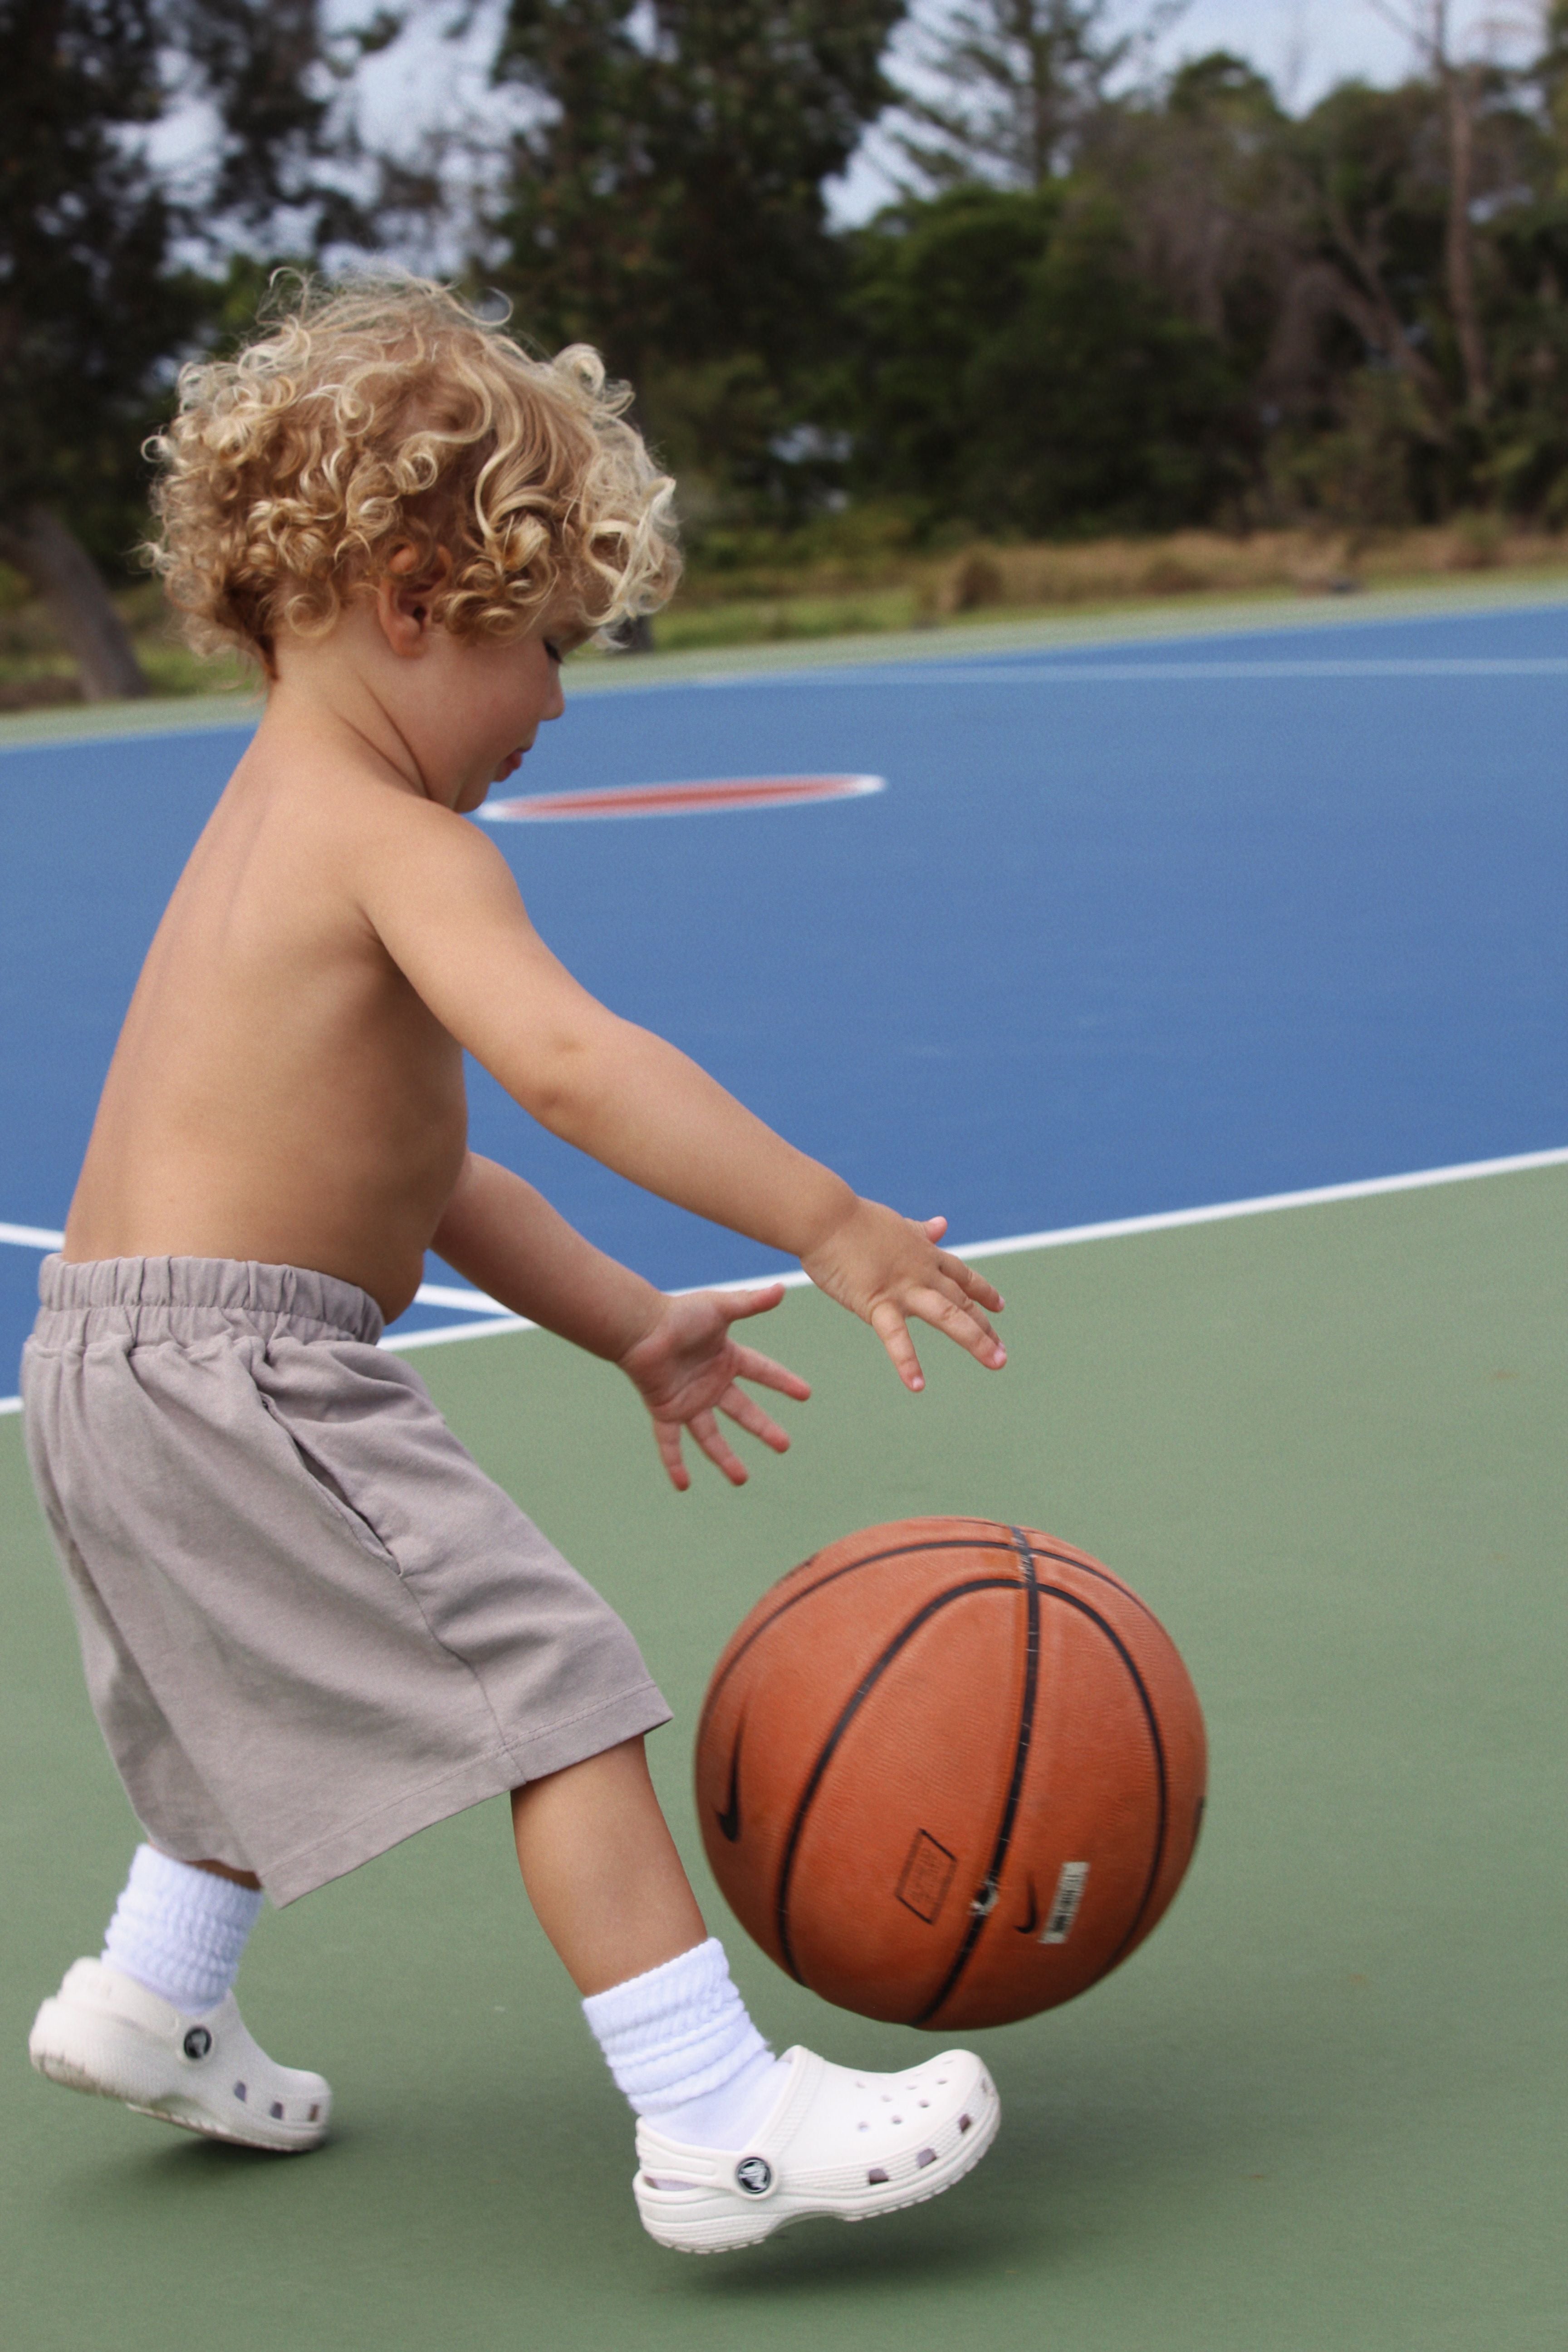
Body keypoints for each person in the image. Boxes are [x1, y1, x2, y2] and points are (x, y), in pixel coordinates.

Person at [22, 278, 1007, 2254]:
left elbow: (421, 1174)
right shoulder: (406, 847)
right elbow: (568, 1068)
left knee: (223, 1691)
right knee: (551, 1693)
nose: (557, 701)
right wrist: (826, 1218)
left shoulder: (256, 829)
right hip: (246, 1371)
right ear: (410, 596)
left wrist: (635, 1326)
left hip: (93, 1360)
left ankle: (152, 1990)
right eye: (545, 645)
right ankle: (715, 2121)